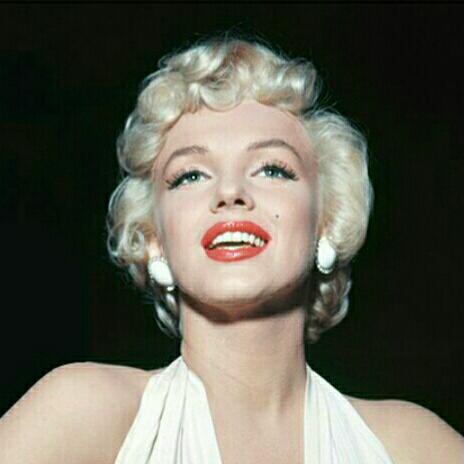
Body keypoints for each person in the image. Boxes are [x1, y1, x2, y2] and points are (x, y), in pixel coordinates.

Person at [1, 35, 463, 464]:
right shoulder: (83, 415)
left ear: (327, 219)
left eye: (272, 169)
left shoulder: (409, 445)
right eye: (190, 175)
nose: (229, 192)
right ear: (153, 236)